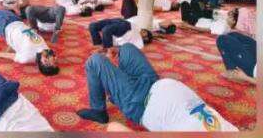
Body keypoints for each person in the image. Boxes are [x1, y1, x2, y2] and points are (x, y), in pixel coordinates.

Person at [77, 43, 237, 131]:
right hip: (154, 82)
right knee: (126, 48)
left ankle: (99, 110)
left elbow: (115, 129)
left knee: (94, 61)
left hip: (140, 102)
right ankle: (118, 85)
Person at [0, 10, 59, 74]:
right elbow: (22, 42)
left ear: (44, 62)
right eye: (56, 60)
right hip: (16, 19)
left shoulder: (26, 58)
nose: (55, 58)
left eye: (53, 62)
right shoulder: (46, 50)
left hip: (2, 25)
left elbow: (9, 56)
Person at [88, 17, 153, 57]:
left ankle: (109, 51)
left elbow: (141, 49)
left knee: (106, 30)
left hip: (123, 25)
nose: (143, 34)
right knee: (92, 26)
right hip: (121, 22)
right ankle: (101, 47)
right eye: (145, 32)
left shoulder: (138, 39)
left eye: (145, 36)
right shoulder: (137, 27)